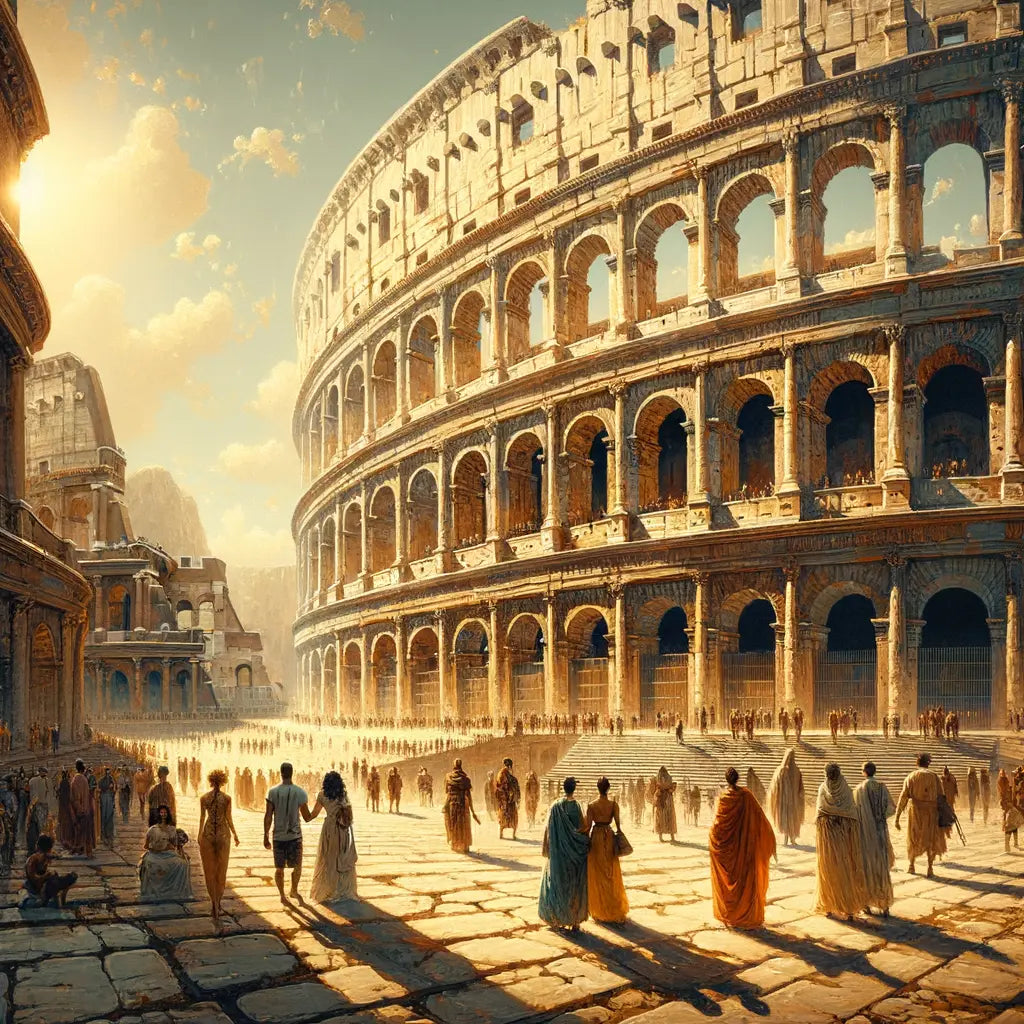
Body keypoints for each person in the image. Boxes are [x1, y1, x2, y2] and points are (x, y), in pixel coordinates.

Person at [709, 767, 776, 929]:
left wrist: (713, 841)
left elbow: (717, 828)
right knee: (745, 881)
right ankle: (746, 915)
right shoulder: (746, 796)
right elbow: (761, 819)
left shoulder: (724, 797)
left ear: (727, 780)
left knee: (729, 881)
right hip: (744, 848)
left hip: (728, 849)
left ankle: (729, 914)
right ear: (737, 779)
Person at [814, 763, 867, 920]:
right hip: (844, 837)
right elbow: (852, 813)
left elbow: (819, 815)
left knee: (829, 870)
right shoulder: (846, 789)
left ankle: (828, 907)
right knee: (846, 870)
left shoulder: (823, 788)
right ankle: (848, 910)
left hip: (828, 836)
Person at [538, 777, 590, 931]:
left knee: (558, 883)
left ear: (564, 789)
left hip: (558, 854)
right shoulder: (576, 806)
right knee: (574, 885)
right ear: (574, 789)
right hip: (573, 854)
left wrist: (546, 848)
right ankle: (574, 921)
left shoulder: (555, 806)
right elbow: (581, 828)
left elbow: (548, 829)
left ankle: (557, 917)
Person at [581, 776, 628, 924]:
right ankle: (613, 906)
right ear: (608, 788)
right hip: (608, 836)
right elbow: (619, 826)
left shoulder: (592, 805)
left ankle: (600, 908)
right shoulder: (614, 805)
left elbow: (587, 827)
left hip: (596, 838)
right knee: (610, 873)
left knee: (598, 873)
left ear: (598, 788)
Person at [263, 762, 311, 903]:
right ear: (292, 773)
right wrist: (321, 809)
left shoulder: (272, 792)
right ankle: (294, 890)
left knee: (279, 868)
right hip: (294, 836)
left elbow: (268, 815)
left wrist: (265, 835)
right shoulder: (300, 792)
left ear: (280, 773)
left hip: (278, 836)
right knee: (297, 867)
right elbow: (307, 816)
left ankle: (282, 895)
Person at [853, 762, 895, 918]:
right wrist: (880, 818)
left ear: (864, 772)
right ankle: (884, 906)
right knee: (881, 868)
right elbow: (891, 808)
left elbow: (855, 813)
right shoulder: (882, 787)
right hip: (880, 832)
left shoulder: (858, 790)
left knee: (867, 867)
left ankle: (866, 904)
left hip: (865, 835)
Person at [894, 753, 947, 877]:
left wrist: (897, 817)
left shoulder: (911, 776)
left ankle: (911, 865)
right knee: (930, 838)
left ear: (917, 763)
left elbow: (903, 797)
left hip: (915, 812)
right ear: (928, 763)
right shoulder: (934, 776)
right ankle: (930, 868)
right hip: (931, 812)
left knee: (913, 837)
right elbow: (941, 797)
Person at [308, 771, 357, 902]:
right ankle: (341, 888)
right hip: (342, 828)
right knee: (341, 857)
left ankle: (329, 888)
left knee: (328, 858)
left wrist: (304, 815)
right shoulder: (343, 795)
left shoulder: (322, 795)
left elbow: (314, 814)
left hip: (329, 828)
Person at [198, 769, 239, 923]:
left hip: (208, 834)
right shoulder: (227, 798)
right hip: (223, 835)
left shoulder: (204, 798)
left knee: (209, 871)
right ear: (222, 782)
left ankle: (213, 903)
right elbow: (229, 818)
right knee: (221, 871)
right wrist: (235, 834)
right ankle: (218, 902)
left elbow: (202, 818)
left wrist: (199, 834)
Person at [140, 805, 193, 902]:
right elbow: (146, 846)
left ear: (168, 814)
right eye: (161, 813)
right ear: (159, 814)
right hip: (155, 854)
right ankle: (156, 892)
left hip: (169, 854)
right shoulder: (152, 829)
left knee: (182, 864)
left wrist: (182, 853)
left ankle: (176, 891)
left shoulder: (172, 829)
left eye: (165, 813)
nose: (163, 814)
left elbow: (176, 845)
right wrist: (156, 848)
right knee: (150, 863)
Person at [766, 749, 804, 846]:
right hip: (791, 801)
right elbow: (801, 788)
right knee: (790, 818)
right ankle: (791, 839)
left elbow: (775, 786)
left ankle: (788, 839)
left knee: (787, 818)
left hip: (785, 801)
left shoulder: (782, 770)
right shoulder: (796, 770)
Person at [24, 836, 76, 908]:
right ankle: (49, 898)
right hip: (36, 890)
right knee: (54, 881)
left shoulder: (45, 856)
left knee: (72, 876)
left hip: (44, 885)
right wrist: (46, 875)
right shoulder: (33, 860)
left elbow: (55, 855)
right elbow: (34, 879)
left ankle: (59, 895)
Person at [442, 759, 480, 853]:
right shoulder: (466, 779)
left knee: (453, 822)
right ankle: (465, 845)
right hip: (463, 803)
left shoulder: (448, 777)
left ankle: (454, 843)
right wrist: (472, 809)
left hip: (452, 803)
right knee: (464, 824)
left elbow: (446, 791)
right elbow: (468, 794)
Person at [70, 760, 94, 858]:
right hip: (85, 809)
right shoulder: (84, 779)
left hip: (80, 809)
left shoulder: (75, 780)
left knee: (79, 830)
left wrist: (79, 809)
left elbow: (75, 798)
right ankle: (86, 851)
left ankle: (80, 850)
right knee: (85, 831)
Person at [494, 758, 521, 841]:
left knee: (503, 816)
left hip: (504, 801)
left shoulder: (500, 775)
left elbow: (498, 788)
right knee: (511, 817)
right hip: (509, 800)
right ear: (510, 766)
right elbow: (514, 789)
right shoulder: (509, 777)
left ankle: (501, 833)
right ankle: (513, 835)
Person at [998, 769, 1023, 852]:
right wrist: (1008, 805)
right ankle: (1007, 846)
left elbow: (1012, 794)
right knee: (1009, 827)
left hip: (1011, 807)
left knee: (1014, 825)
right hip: (1008, 808)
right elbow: (1003, 797)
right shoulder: (1001, 782)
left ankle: (1015, 843)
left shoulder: (1008, 784)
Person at [25, 769, 49, 856]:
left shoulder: (32, 780)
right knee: (40, 829)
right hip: (40, 806)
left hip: (34, 805)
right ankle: (39, 850)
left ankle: (33, 850)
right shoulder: (43, 781)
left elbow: (27, 790)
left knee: (33, 828)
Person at [653, 767, 677, 842]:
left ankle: (661, 836)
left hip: (661, 799)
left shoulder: (657, 777)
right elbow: (671, 787)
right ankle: (672, 836)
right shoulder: (669, 777)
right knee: (669, 816)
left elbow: (655, 788)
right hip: (668, 799)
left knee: (660, 817)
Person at [98, 767, 116, 845]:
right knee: (104, 817)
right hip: (104, 798)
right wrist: (108, 787)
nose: (108, 774)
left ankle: (109, 835)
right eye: (107, 772)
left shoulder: (112, 779)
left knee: (110, 817)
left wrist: (113, 788)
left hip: (110, 799)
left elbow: (114, 789)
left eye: (109, 772)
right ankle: (104, 835)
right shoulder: (101, 780)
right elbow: (101, 788)